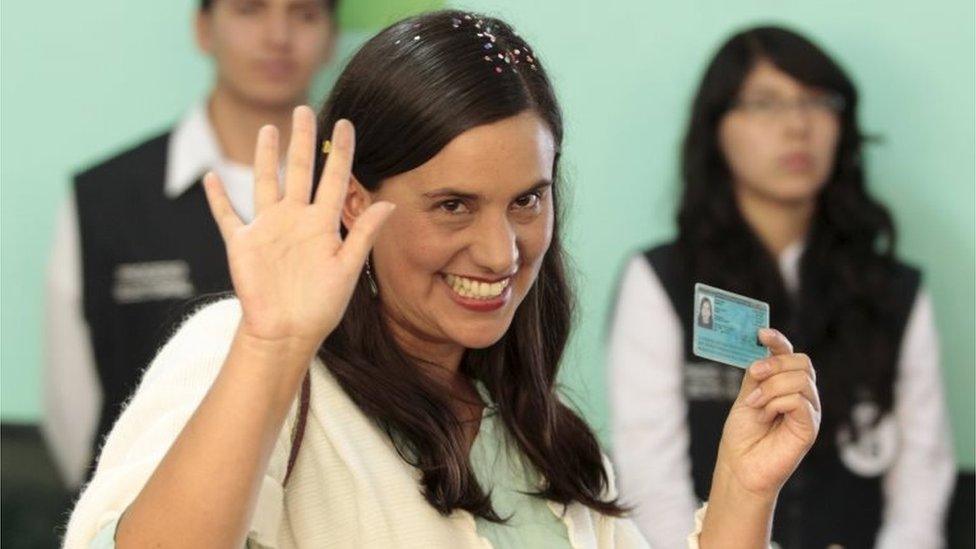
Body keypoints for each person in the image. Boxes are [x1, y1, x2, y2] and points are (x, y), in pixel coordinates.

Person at [65, 12, 821, 548]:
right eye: (453, 205)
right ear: (356, 200)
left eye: (527, 199)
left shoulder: (541, 436)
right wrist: (272, 343)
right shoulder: (247, 355)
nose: (499, 252)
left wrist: (742, 493)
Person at [608, 25, 955, 549]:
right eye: (766, 104)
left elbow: (921, 485)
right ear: (716, 127)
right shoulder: (662, 281)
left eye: (818, 102)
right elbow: (652, 487)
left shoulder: (893, 290)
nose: (797, 125)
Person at [43, 0, 339, 491]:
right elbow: (70, 405)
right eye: (249, 11)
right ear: (204, 28)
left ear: (330, 38)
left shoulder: (361, 193)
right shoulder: (106, 196)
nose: (278, 36)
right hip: (141, 510)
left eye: (305, 14)